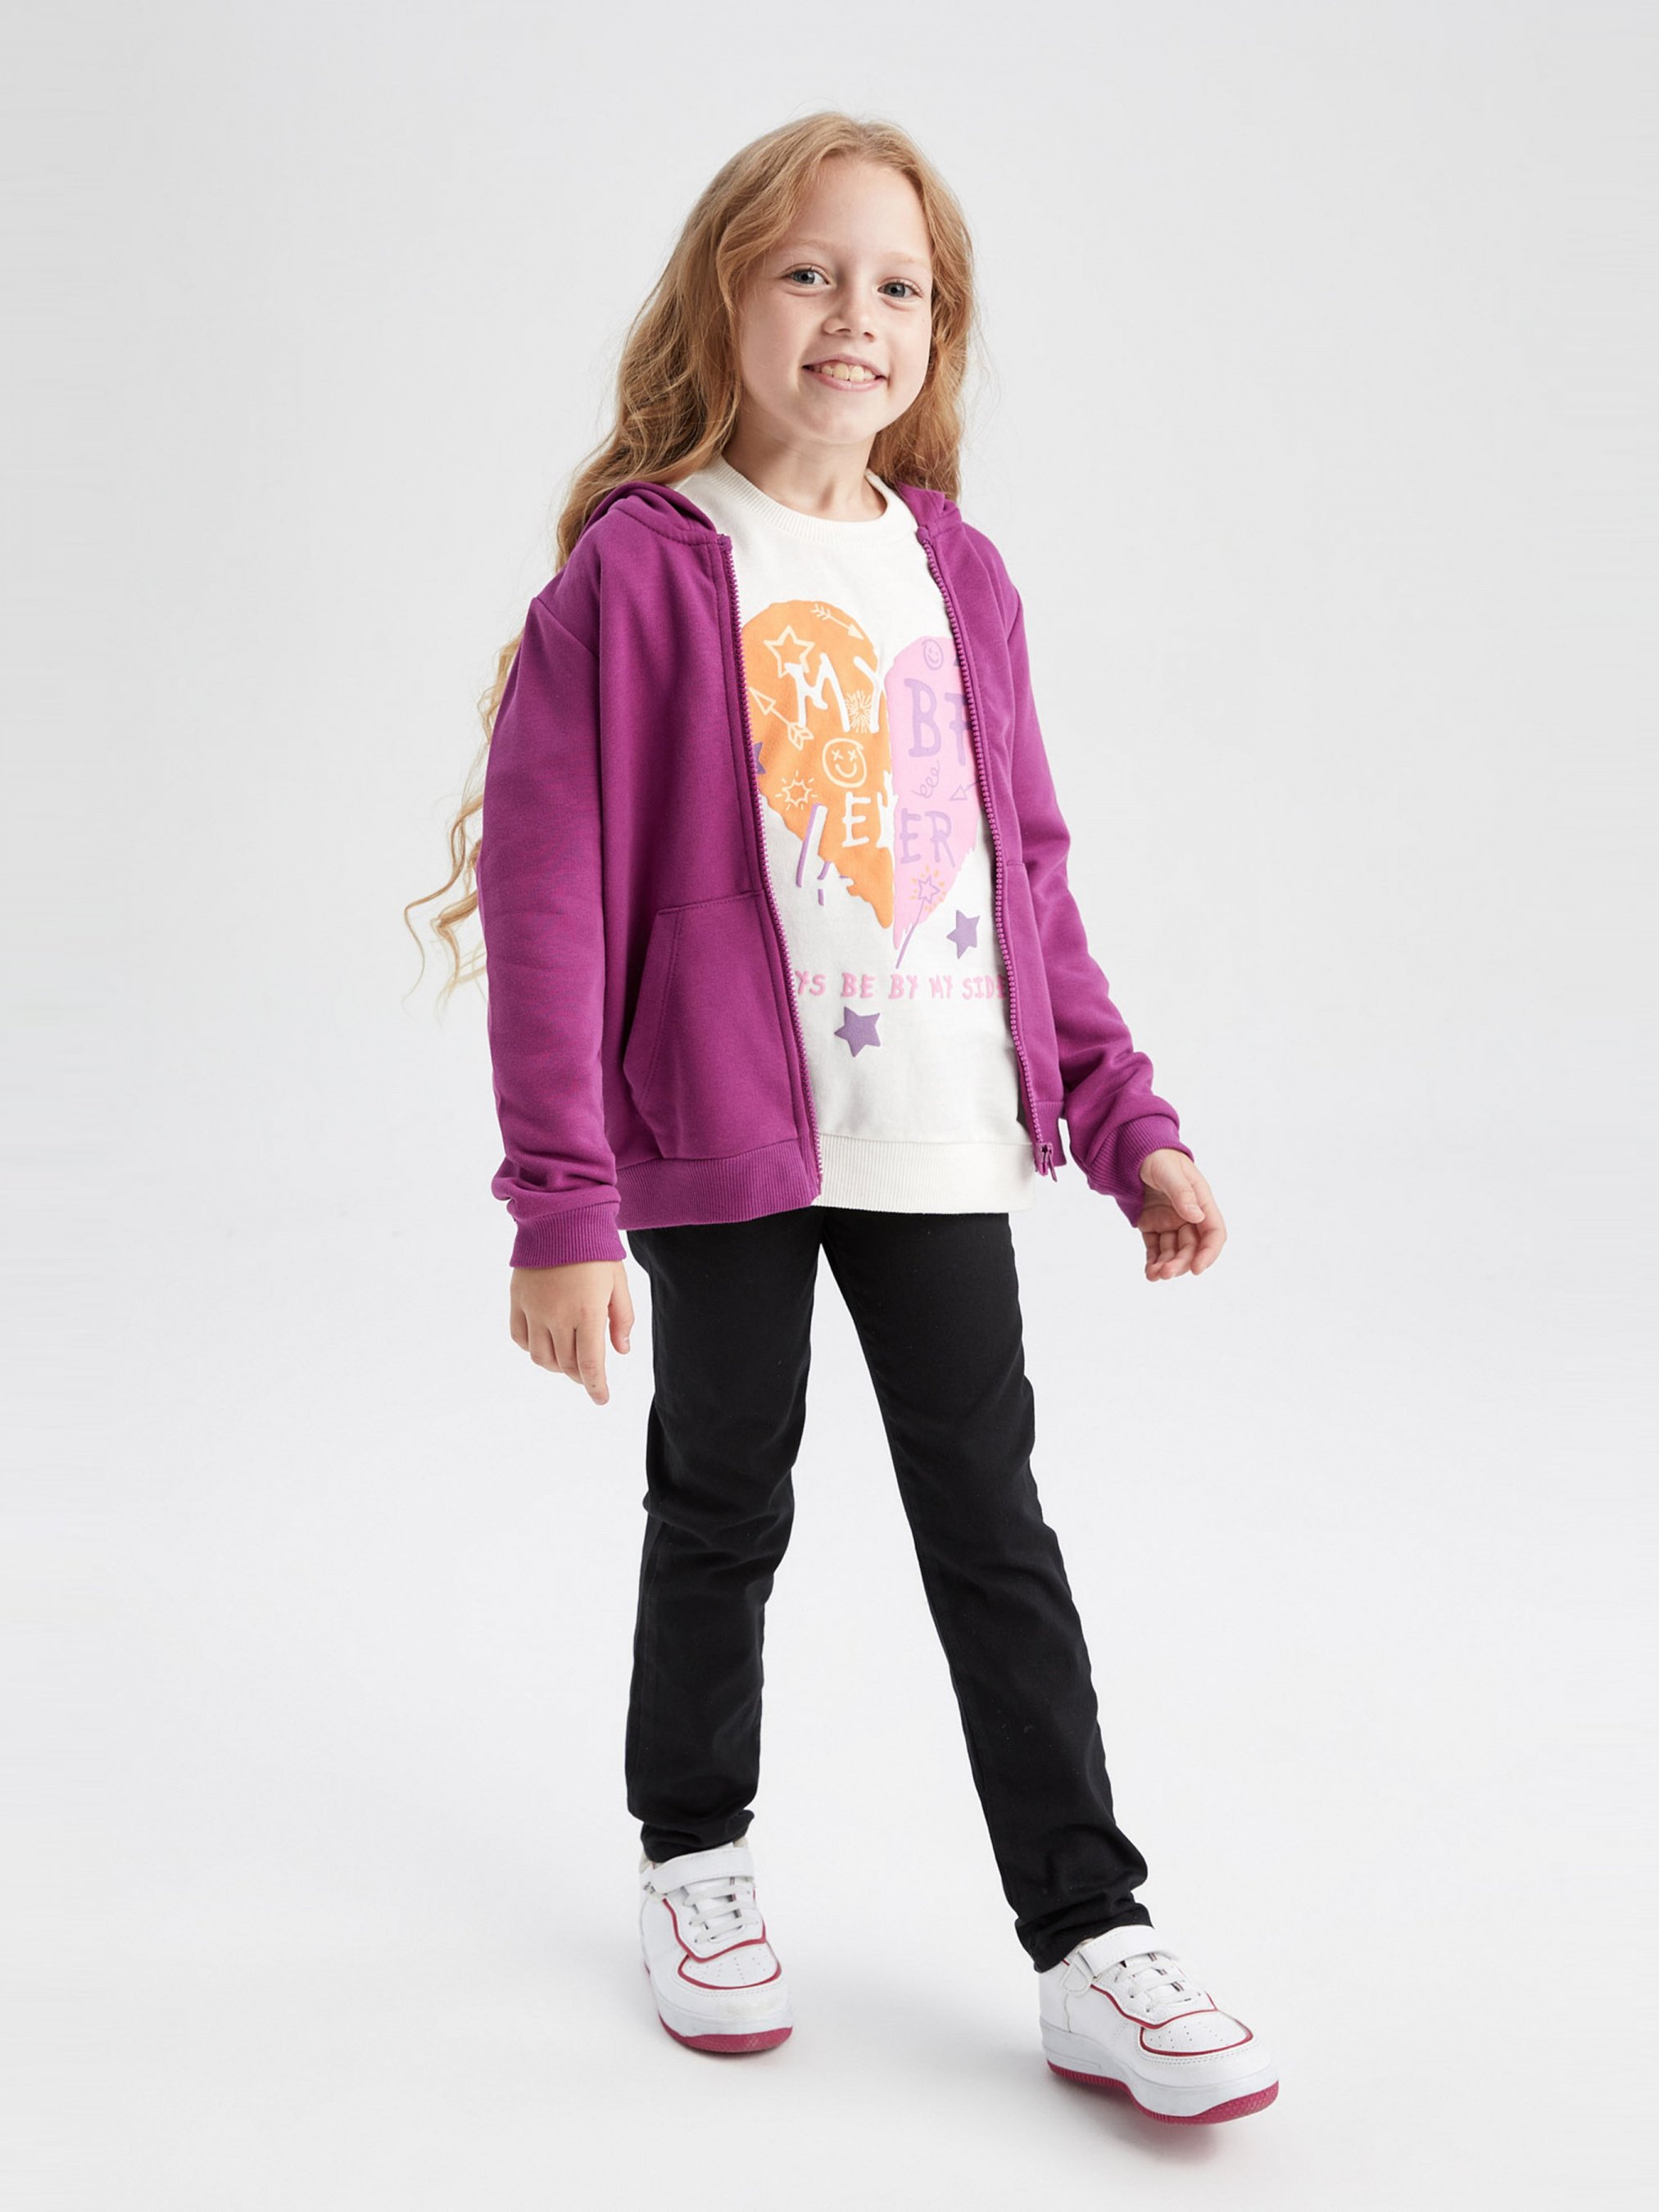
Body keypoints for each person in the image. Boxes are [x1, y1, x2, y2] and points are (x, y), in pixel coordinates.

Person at [426, 111, 1279, 2125]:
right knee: (723, 1498)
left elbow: (1022, 879)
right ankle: (693, 1857)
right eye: (807, 271)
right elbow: (548, 911)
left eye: (897, 285)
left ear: (937, 331)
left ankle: (1087, 1936)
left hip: (934, 1131)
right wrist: (559, 1208)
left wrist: (1122, 1116)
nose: (852, 315)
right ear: (722, 296)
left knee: (992, 1523)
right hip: (716, 1137)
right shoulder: (642, 574)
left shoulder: (954, 573)